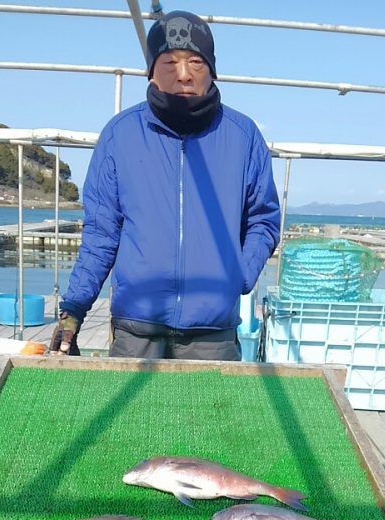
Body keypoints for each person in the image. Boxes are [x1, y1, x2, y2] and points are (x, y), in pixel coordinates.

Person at [50, 10, 280, 361]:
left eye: (196, 62)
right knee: (130, 418)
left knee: (214, 417)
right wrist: (74, 310)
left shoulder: (243, 135)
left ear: (212, 70)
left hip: (213, 332)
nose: (184, 74)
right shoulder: (120, 134)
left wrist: (240, 274)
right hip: (135, 329)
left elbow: (263, 219)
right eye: (170, 62)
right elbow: (101, 234)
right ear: (152, 70)